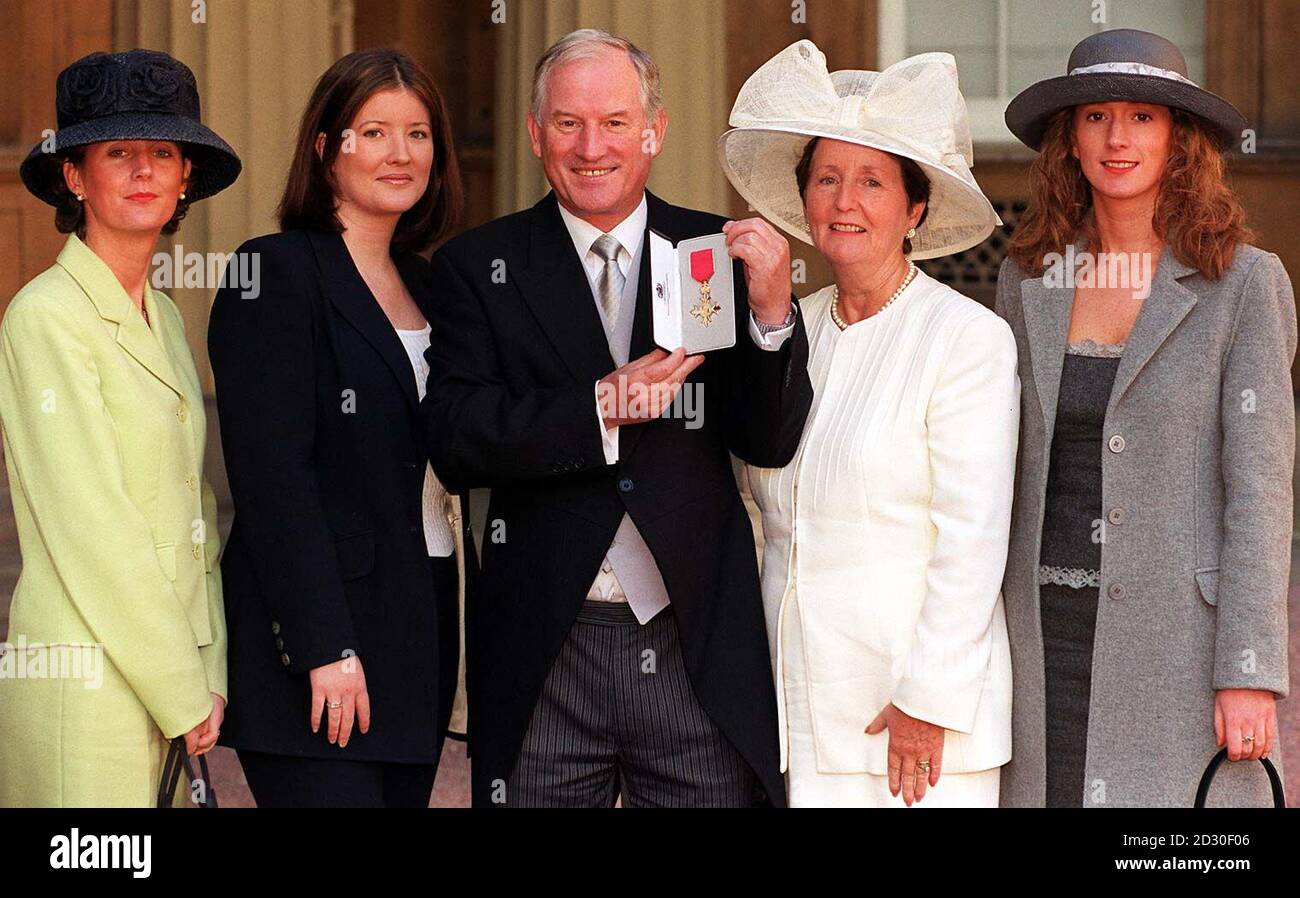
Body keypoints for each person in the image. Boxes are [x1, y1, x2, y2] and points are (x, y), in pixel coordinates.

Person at [425, 28, 813, 807]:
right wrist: (597, 406)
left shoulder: (713, 254)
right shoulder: (479, 267)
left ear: (654, 131)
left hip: (690, 645)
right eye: (567, 122)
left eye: (613, 121)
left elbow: (767, 440)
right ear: (536, 134)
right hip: (546, 653)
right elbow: (457, 437)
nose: (590, 145)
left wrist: (772, 313)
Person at [998, 28, 1293, 807]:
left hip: (1179, 650)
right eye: (1095, 117)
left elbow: (1260, 492)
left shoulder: (1244, 286)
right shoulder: (1027, 277)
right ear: (1070, 139)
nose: (1117, 138)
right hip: (1035, 642)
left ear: (1179, 140)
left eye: (1142, 117)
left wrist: (1250, 672)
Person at [721, 41, 1018, 807]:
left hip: (910, 729)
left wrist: (928, 701)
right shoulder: (788, 325)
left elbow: (972, 541)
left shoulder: (966, 339)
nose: (844, 201)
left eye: (872, 182)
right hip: (793, 714)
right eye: (827, 179)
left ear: (915, 208)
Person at [208, 48, 468, 808]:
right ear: (325, 150)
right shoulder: (277, 273)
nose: (400, 153)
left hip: (419, 623)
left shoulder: (431, 283)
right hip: (320, 646)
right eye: (374, 131)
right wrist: (325, 646)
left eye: (418, 134)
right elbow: (272, 480)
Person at [0, 49, 240, 806]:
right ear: (75, 177)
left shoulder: (164, 314)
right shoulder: (45, 317)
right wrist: (183, 688)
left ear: (183, 180)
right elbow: (94, 527)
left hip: (166, 679)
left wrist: (210, 668)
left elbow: (194, 510)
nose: (143, 171)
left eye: (162, 152)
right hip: (89, 689)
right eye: (118, 152)